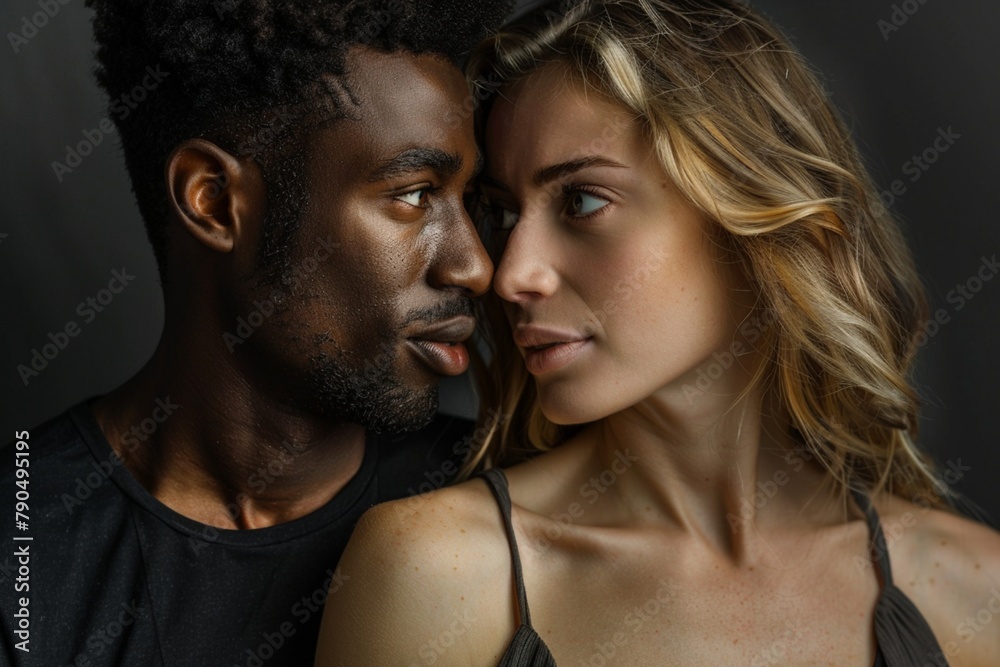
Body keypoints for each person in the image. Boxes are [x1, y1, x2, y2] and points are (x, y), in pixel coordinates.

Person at [316, 1, 1000, 665]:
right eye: (503, 213)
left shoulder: (973, 587)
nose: (509, 274)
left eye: (582, 200)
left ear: (748, 215)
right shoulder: (441, 575)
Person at [0, 0, 517, 664]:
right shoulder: (23, 536)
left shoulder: (504, 499)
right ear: (214, 199)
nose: (475, 265)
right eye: (415, 193)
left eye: (472, 203)